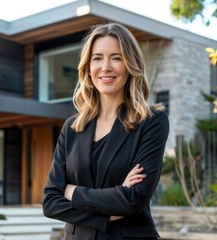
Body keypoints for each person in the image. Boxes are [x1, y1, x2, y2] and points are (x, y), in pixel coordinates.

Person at [42, 22, 169, 240]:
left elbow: (133, 199)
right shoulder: (72, 128)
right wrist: (107, 214)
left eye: (116, 58)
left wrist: (72, 191)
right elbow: (50, 202)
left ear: (130, 64)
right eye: (97, 58)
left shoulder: (151, 122)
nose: (106, 67)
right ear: (87, 67)